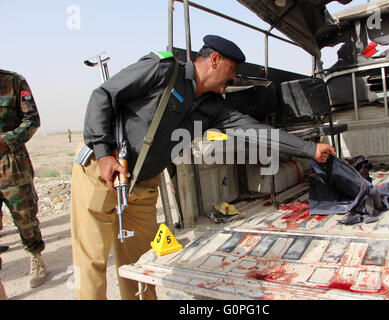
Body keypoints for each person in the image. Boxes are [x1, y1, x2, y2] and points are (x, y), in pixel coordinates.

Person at [70, 35, 336, 300]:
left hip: (143, 185)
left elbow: (257, 132)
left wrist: (309, 149)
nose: (234, 78)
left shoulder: (214, 108)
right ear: (214, 60)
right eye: (232, 70)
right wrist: (104, 154)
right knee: (92, 260)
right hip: (101, 171)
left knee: (140, 266)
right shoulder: (163, 71)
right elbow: (103, 94)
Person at [0, 69, 47, 288]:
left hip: (12, 164)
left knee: (25, 217)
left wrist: (6, 141)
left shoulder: (13, 82)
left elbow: (32, 120)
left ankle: (36, 256)